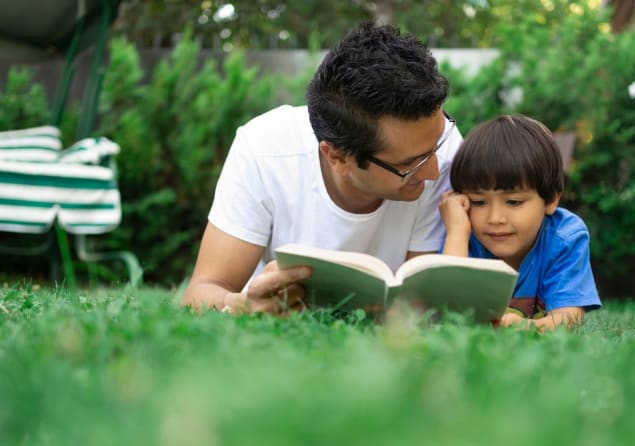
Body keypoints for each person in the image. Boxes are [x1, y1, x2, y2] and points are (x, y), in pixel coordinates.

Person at [183, 23, 462, 315]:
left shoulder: (444, 149)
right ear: (337, 157)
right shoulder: (264, 152)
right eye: (409, 164)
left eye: (437, 145)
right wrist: (241, 305)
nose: (433, 171)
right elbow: (201, 291)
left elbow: (423, 302)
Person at [439, 114, 601, 331]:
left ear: (551, 199)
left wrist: (526, 327)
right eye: (478, 202)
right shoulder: (463, 234)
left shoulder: (564, 237)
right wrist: (457, 231)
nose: (495, 219)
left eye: (513, 202)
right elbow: (448, 311)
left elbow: (569, 318)